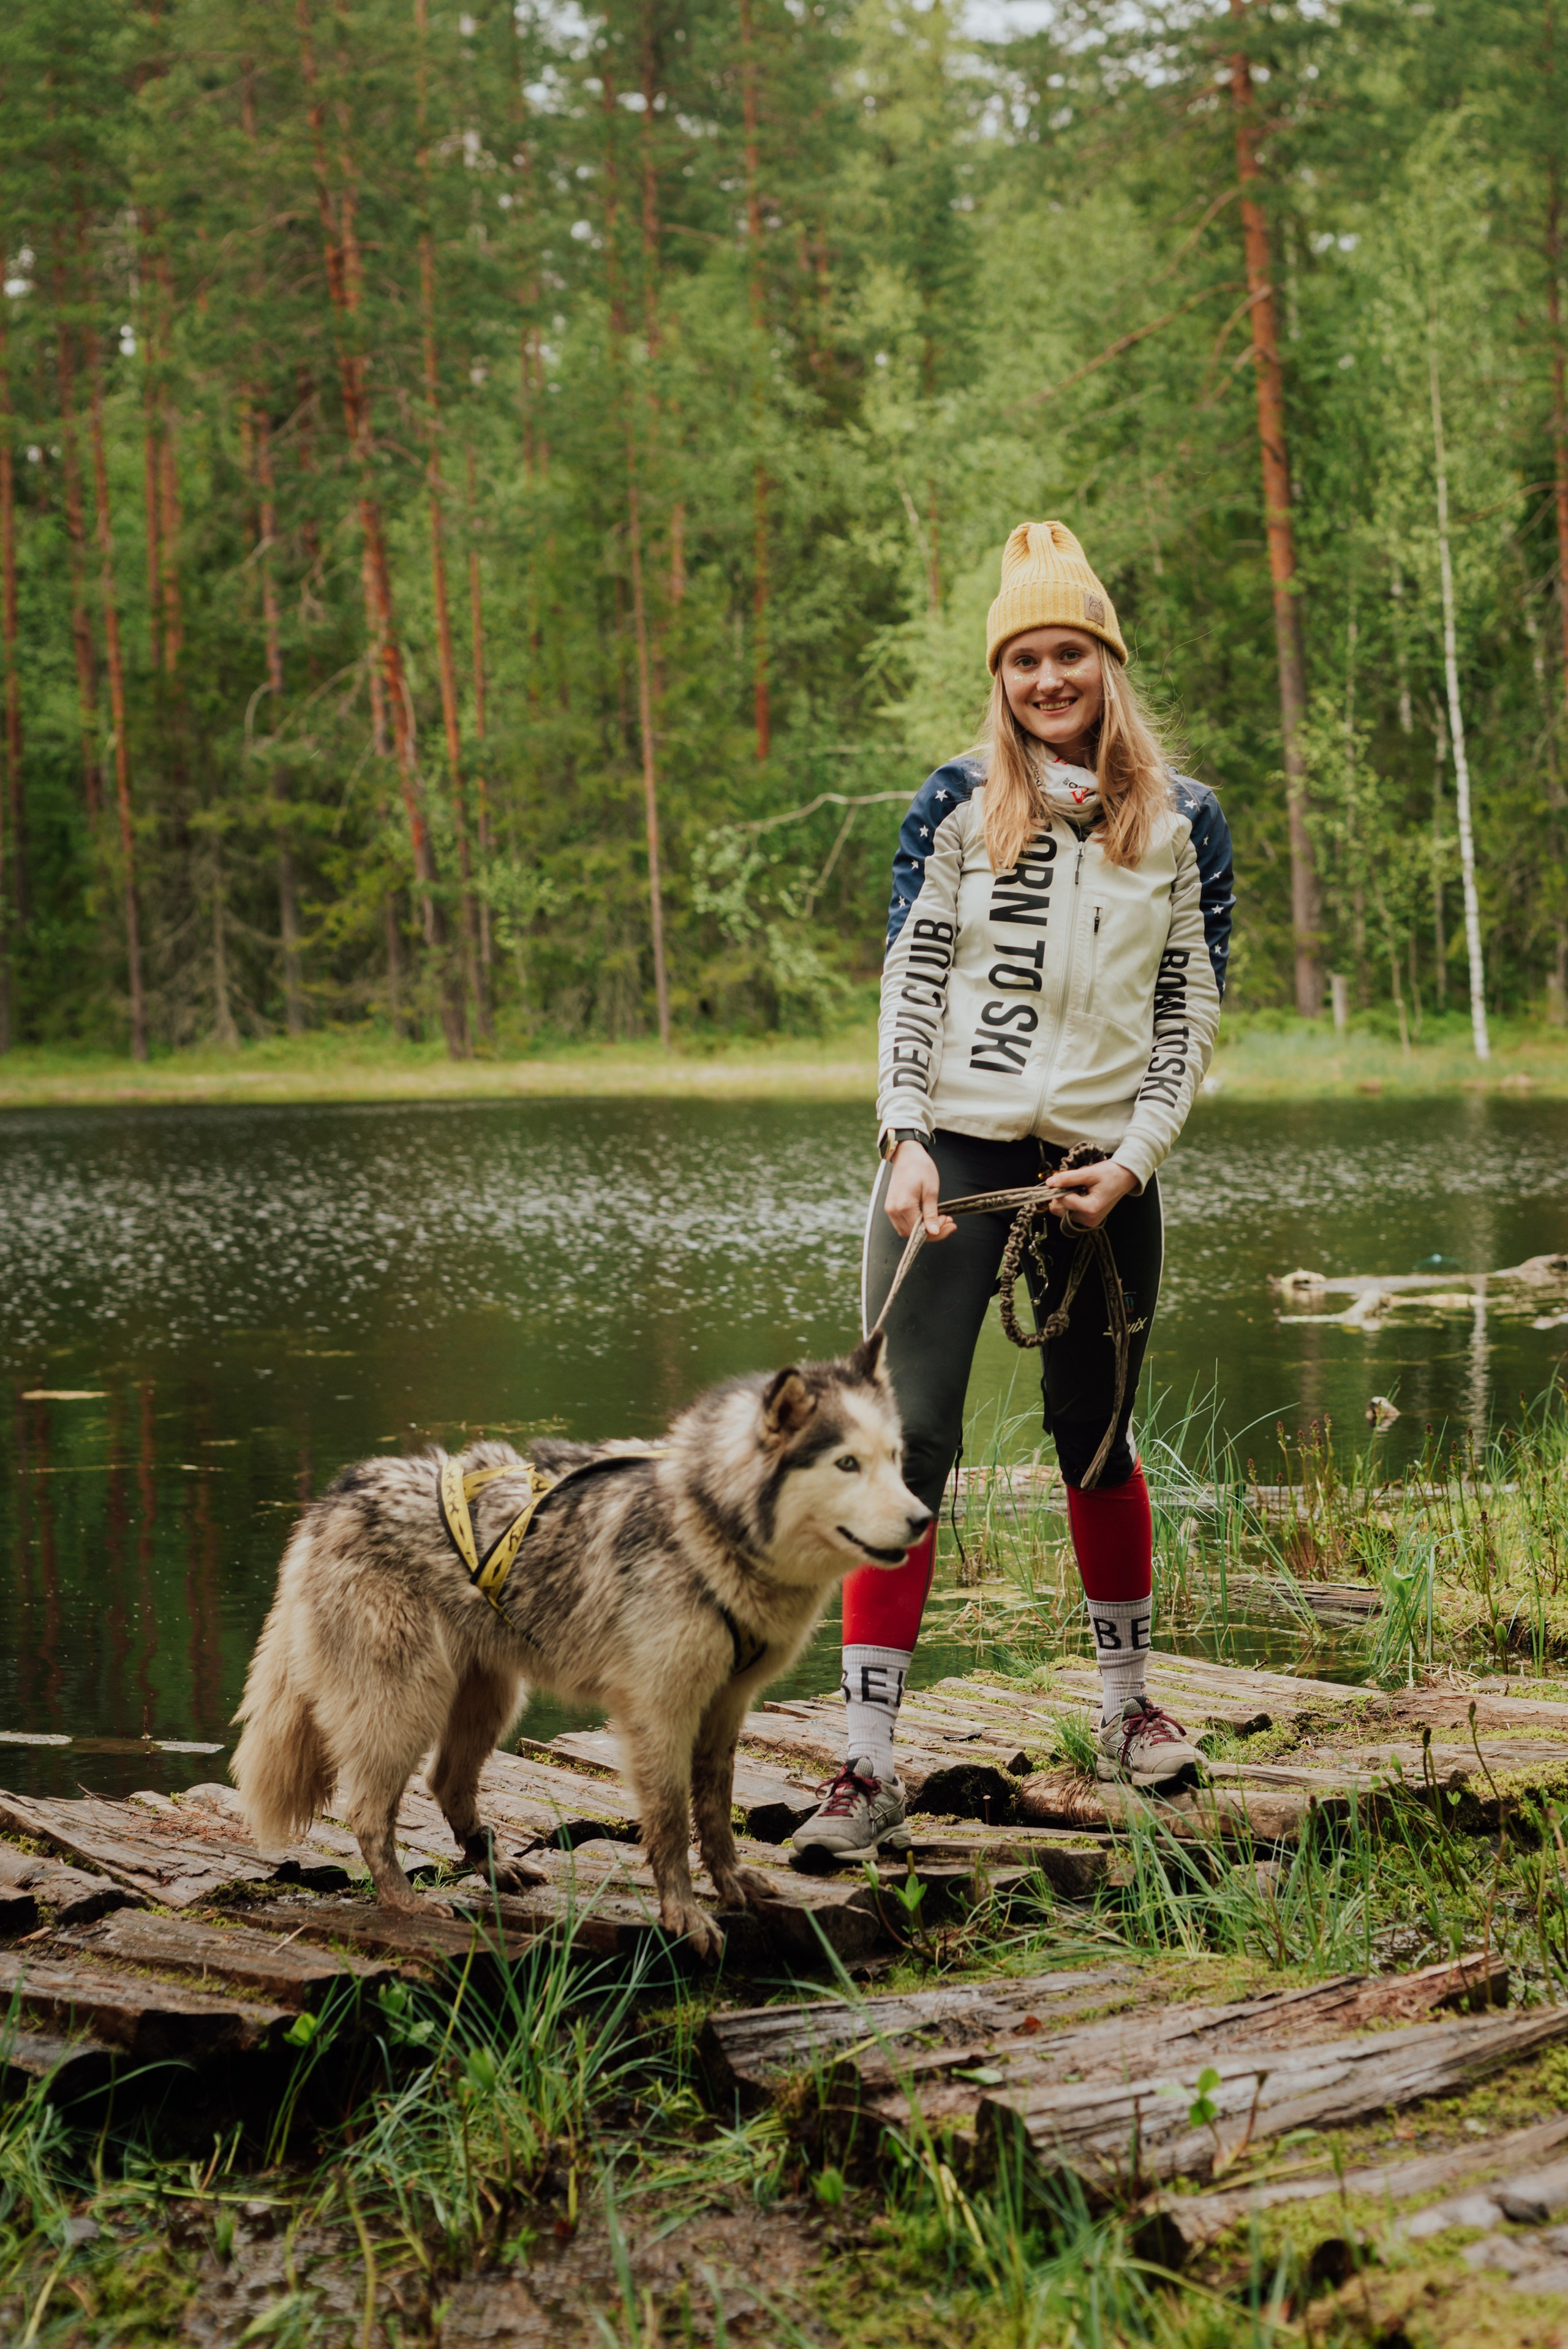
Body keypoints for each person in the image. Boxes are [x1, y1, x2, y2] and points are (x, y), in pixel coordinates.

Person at [794, 520, 1234, 1861]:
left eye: (1070, 653)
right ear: (1001, 674)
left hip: (1101, 1162)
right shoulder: (948, 801)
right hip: (956, 1156)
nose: (1048, 678)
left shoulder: (1182, 820)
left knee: (1096, 1434)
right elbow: (909, 984)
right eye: (1024, 658)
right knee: (901, 1443)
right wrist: (903, 1136)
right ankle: (864, 1764)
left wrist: (1132, 1158)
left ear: (1106, 661)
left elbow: (1187, 1014)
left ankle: (1125, 1710)